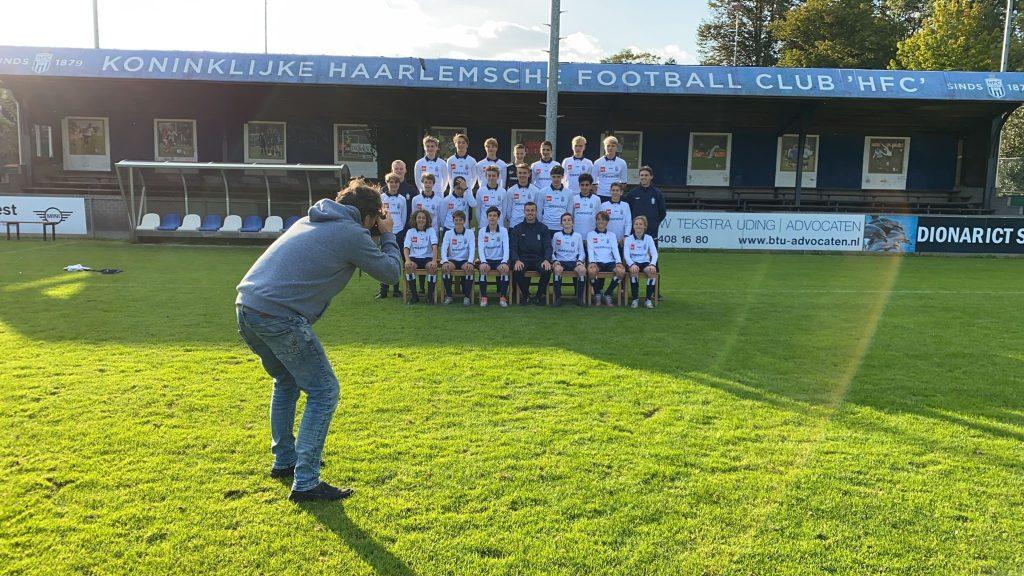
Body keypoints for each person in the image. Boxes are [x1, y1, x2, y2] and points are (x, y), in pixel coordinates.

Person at [236, 179, 401, 502]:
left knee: (286, 380)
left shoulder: (310, 219)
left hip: (247, 308)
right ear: (368, 217)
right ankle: (306, 482)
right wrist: (389, 234)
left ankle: (285, 460)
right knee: (324, 391)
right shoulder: (351, 233)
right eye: (375, 219)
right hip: (279, 316)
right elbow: (391, 273)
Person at [509, 202, 552, 306]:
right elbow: (513, 247)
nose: (530, 213)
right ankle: (526, 295)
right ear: (524, 212)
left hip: (539, 259)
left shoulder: (543, 228)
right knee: (517, 270)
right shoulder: (517, 228)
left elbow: (548, 247)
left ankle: (538, 296)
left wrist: (547, 260)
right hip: (523, 259)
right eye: (528, 210)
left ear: (536, 212)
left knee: (547, 270)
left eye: (532, 210)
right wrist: (516, 260)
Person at [376, 172, 409, 299]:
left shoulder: (402, 199)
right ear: (387, 183)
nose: (394, 184)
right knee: (383, 260)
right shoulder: (381, 197)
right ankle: (383, 290)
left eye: (396, 182)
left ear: (399, 184)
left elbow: (403, 217)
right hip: (385, 232)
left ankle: (396, 289)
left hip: (398, 232)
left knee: (397, 260)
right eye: (391, 182)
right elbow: (379, 216)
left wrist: (400, 230)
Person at [587, 211, 625, 307]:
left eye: (603, 219)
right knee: (591, 271)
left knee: (621, 272)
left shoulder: (612, 235)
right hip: (597, 262)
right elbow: (590, 249)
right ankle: (597, 294)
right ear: (596, 221)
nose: (601, 221)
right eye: (599, 219)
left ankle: (607, 293)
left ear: (607, 222)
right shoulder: (590, 234)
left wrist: (619, 262)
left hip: (610, 262)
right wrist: (592, 262)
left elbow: (615, 250)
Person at [624, 165, 667, 246]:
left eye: (646, 175)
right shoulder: (632, 194)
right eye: (642, 175)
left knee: (652, 253)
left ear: (651, 177)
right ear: (639, 177)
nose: (644, 177)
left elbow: (662, 212)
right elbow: (627, 212)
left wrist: (654, 223)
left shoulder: (657, 193)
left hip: (652, 231)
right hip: (636, 231)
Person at [440, 210, 476, 306]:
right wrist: (445, 261)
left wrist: (470, 262)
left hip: (465, 260)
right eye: (456, 220)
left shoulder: (470, 233)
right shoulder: (448, 233)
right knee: (446, 268)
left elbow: (472, 248)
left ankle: (467, 297)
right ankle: (449, 296)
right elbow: (443, 248)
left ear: (464, 221)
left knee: (469, 269)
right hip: (452, 260)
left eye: (460, 220)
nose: (458, 222)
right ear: (453, 221)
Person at [403, 209, 439, 305]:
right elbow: (406, 248)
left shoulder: (431, 230)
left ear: (427, 220)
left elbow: (434, 246)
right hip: (414, 258)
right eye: (419, 217)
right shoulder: (410, 231)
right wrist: (407, 260)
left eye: (423, 218)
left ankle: (430, 297)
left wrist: (434, 260)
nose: (421, 220)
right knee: (409, 267)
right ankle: (414, 296)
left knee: (432, 267)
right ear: (415, 219)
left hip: (427, 258)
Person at [551, 212, 587, 307]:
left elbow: (582, 252)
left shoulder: (578, 236)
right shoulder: (556, 235)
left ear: (573, 223)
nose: (567, 222)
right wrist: (555, 261)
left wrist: (579, 261)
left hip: (574, 262)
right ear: (561, 223)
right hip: (560, 262)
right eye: (564, 220)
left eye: (569, 220)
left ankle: (579, 298)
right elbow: (552, 251)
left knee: (582, 270)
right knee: (557, 270)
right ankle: (558, 298)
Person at [477, 206, 510, 307]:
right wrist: (483, 261)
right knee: (483, 269)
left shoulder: (503, 230)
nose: (492, 217)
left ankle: (503, 297)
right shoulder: (482, 231)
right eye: (490, 215)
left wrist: (504, 262)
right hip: (486, 260)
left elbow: (506, 247)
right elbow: (480, 248)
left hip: (499, 260)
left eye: (494, 216)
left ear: (498, 218)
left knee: (505, 270)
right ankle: (484, 297)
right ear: (487, 217)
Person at [623, 215, 659, 309]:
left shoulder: (649, 238)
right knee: (634, 271)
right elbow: (626, 255)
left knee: (652, 271)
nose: (638, 226)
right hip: (633, 262)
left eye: (640, 224)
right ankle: (635, 299)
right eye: (636, 224)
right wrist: (631, 264)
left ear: (645, 226)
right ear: (633, 226)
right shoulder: (628, 239)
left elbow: (654, 254)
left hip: (645, 262)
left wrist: (652, 264)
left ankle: (648, 300)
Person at [537, 165, 573, 232]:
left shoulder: (569, 193)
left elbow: (569, 212)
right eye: (554, 177)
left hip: (562, 228)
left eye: (558, 177)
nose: (556, 179)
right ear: (550, 176)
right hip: (546, 227)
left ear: (562, 176)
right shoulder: (542, 192)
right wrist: (540, 226)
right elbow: (539, 212)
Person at [592, 135, 628, 201]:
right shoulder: (597, 162)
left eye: (613, 146)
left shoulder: (622, 163)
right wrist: (597, 194)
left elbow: (624, 183)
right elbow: (593, 183)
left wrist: (617, 193)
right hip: (601, 195)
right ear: (604, 147)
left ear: (616, 147)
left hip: (616, 196)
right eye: (608, 146)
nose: (610, 148)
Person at [446, 133, 478, 200]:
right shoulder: (450, 160)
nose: (461, 144)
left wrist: (467, 188)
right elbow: (449, 177)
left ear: (467, 145)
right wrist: (454, 188)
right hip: (453, 193)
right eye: (459, 142)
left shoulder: (472, 160)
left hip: (467, 193)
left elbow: (474, 177)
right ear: (455, 144)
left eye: (463, 143)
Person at [572, 173, 602, 240]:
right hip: (576, 235)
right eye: (582, 185)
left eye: (587, 185)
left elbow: (599, 218)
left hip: (592, 235)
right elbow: (571, 216)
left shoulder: (597, 199)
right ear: (579, 185)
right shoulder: (574, 199)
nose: (584, 187)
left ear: (591, 186)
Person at [506, 163, 536, 229]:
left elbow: (537, 210)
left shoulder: (535, 190)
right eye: (520, 173)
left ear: (529, 174)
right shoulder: (511, 191)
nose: (522, 175)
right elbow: (508, 211)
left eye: (525, 173)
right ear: (517, 174)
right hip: (514, 225)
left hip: (530, 225)